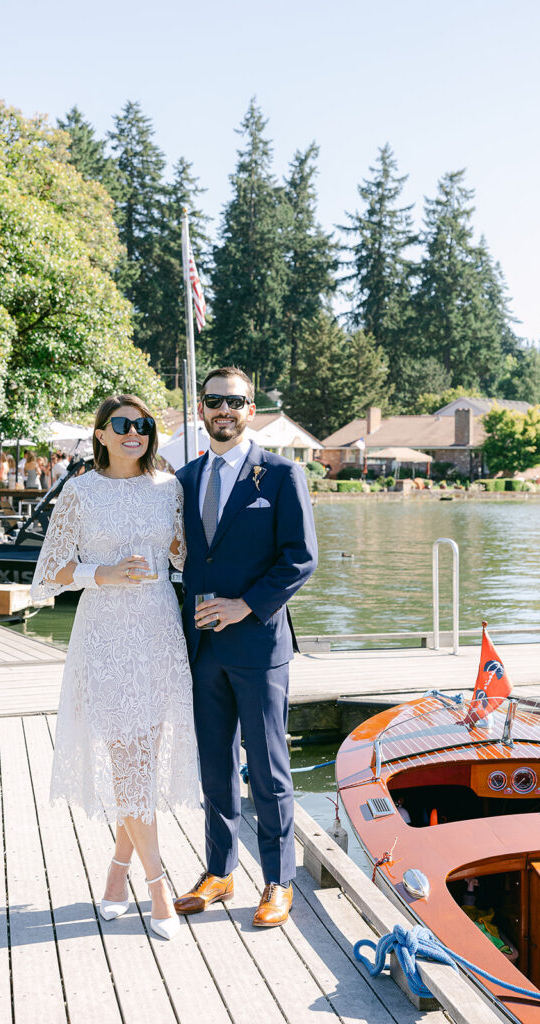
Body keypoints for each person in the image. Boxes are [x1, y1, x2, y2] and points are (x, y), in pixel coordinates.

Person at [31, 394, 199, 940]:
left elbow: (181, 555)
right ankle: (158, 888)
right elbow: (51, 571)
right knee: (128, 760)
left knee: (142, 763)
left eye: (144, 424)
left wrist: (177, 549)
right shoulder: (79, 491)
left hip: (157, 630)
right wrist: (102, 573)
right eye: (123, 425)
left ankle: (116, 873)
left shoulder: (169, 486)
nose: (135, 432)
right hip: (105, 636)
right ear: (100, 434)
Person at [174, 367, 317, 928]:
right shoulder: (184, 478)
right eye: (214, 401)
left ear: (250, 410)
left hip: (258, 644)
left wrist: (246, 605)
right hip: (201, 646)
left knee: (268, 767)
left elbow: (299, 559)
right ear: (202, 410)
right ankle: (219, 871)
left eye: (234, 401)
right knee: (214, 766)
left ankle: (279, 881)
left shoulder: (281, 475)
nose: (224, 410)